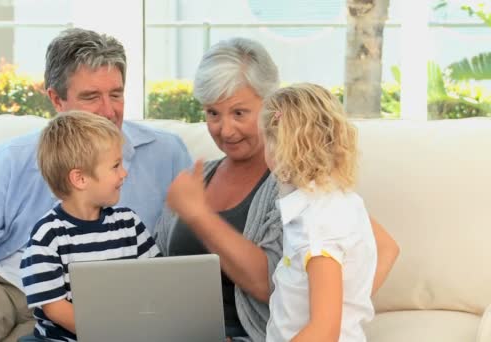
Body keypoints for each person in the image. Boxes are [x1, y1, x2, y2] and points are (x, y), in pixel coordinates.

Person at [0, 28, 191, 341]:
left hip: (98, 302)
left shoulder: (168, 152)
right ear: (56, 99)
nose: (108, 111)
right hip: (10, 289)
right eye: (91, 97)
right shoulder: (10, 157)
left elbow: (178, 254)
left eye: (115, 94)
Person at [155, 37, 399, 341]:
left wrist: (333, 309)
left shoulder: (309, 203)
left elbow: (381, 249)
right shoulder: (201, 178)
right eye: (212, 113)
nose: (225, 130)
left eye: (239, 113)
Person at [20, 111, 160, 341]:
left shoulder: (130, 224)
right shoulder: (48, 236)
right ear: (80, 179)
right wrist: (110, 334)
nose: (124, 173)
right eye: (115, 166)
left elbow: (156, 280)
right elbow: (54, 308)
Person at [261, 83, 376, 341]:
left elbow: (323, 332)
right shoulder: (343, 202)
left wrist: (334, 313)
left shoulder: (315, 227)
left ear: (278, 148)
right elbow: (389, 248)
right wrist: (345, 304)